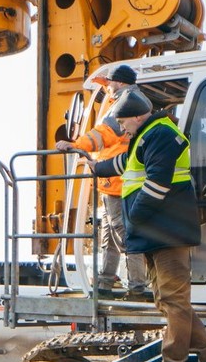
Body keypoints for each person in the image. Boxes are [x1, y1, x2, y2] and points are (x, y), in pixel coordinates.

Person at [92, 91, 206, 362]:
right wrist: (98, 168)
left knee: (174, 301)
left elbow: (157, 182)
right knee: (170, 302)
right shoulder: (148, 135)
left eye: (123, 122)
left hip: (166, 232)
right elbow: (128, 164)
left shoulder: (159, 134)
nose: (122, 129)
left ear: (136, 116)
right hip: (157, 233)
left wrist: (135, 215)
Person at [56, 64, 149, 299]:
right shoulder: (129, 97)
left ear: (118, 82)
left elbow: (105, 134)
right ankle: (106, 283)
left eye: (109, 83)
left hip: (119, 182)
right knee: (110, 235)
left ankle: (137, 287)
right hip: (113, 182)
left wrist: (77, 145)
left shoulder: (125, 101)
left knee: (123, 234)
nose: (108, 87)